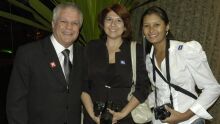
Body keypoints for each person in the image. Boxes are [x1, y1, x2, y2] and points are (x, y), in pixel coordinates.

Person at [6, 2, 85, 124]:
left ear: (79, 28)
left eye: (75, 23)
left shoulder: (83, 54)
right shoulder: (29, 53)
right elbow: (15, 103)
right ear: (53, 24)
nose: (69, 27)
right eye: (63, 21)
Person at [140, 6, 220, 124]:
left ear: (167, 26)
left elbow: (212, 88)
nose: (151, 30)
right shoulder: (149, 59)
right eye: (146, 26)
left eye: (157, 25)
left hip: (190, 121)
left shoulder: (185, 51)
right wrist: (139, 105)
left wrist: (184, 116)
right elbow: (161, 90)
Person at [81, 4, 149, 124]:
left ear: (125, 26)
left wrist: (122, 114)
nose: (113, 24)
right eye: (109, 19)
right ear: (103, 24)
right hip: (93, 117)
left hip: (125, 117)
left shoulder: (136, 50)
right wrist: (92, 113)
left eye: (119, 20)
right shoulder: (91, 47)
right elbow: (82, 84)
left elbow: (142, 87)